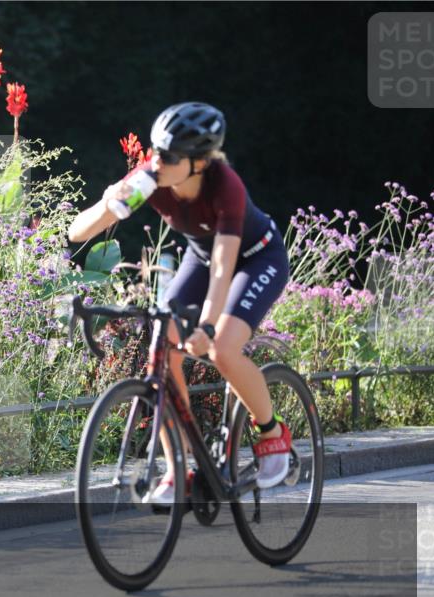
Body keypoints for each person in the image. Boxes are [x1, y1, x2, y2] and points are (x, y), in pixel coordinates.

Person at [67, 101, 293, 504]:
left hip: (256, 258)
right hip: (202, 257)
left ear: (199, 163)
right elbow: (77, 233)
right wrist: (107, 203)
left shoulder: (224, 186)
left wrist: (207, 325)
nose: (158, 161)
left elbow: (224, 265)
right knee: (163, 348)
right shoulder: (147, 179)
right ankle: (179, 470)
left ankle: (272, 434)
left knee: (222, 349)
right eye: (156, 151)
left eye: (169, 156)